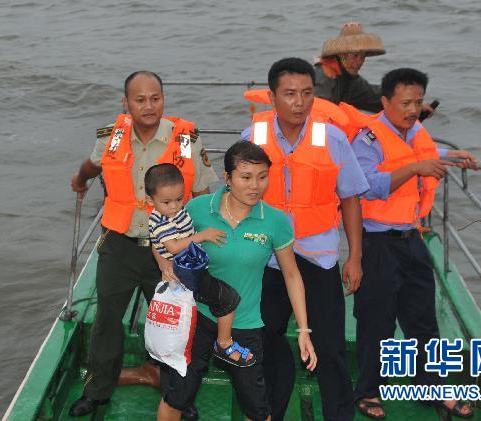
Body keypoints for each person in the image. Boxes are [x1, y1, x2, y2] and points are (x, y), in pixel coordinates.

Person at [68, 71, 218, 418]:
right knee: (106, 320)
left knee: (175, 325)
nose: (149, 105)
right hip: (119, 245)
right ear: (126, 103)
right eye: (140, 99)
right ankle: (97, 392)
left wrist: (200, 248)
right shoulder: (111, 138)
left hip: (167, 250)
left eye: (156, 98)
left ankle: (178, 395)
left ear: (164, 99)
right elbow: (91, 167)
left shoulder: (186, 140)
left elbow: (201, 194)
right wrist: (79, 180)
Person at [242, 57, 370, 421]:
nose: (299, 102)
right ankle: (269, 413)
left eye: (307, 93)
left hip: (318, 260)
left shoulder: (331, 138)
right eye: (289, 94)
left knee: (329, 348)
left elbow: (350, 198)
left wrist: (355, 256)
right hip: (265, 262)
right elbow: (235, 199)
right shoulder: (252, 137)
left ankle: (339, 415)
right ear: (272, 96)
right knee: (265, 342)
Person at [350, 67, 478, 419]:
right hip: (377, 242)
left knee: (423, 320)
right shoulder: (367, 138)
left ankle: (432, 387)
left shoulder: (414, 132)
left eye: (418, 102)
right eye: (405, 102)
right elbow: (369, 185)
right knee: (377, 321)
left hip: (411, 238)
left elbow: (415, 154)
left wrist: (450, 155)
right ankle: (368, 391)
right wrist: (417, 168)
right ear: (385, 102)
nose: (412, 109)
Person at [157, 141, 317, 421]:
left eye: (262, 176)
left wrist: (304, 329)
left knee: (258, 410)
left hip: (244, 328)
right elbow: (161, 235)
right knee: (176, 398)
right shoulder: (197, 210)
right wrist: (164, 265)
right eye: (245, 177)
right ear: (228, 178)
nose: (255, 186)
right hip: (198, 319)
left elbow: (292, 275)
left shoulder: (275, 222)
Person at [145, 163, 256, 366]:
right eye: (167, 202)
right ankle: (223, 343)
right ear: (150, 200)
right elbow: (174, 247)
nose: (174, 206)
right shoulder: (161, 221)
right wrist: (203, 236)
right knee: (228, 299)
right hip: (184, 273)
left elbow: (155, 243)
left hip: (186, 268)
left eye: (179, 199)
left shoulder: (173, 213)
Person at [315, 22, 436, 117]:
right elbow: (316, 115)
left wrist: (412, 104)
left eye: (363, 56)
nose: (359, 61)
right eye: (355, 55)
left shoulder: (351, 79)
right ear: (341, 55)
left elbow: (376, 96)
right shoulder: (323, 77)